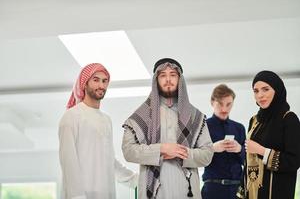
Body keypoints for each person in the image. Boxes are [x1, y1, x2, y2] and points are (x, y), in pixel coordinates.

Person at [122, 58, 214, 199]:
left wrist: (182, 153)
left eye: (173, 75)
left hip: (186, 190)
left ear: (180, 79)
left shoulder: (195, 116)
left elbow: (207, 154)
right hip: (154, 192)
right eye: (163, 75)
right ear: (156, 80)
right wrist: (161, 149)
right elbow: (128, 151)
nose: (168, 79)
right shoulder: (142, 115)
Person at [59, 63, 137, 199]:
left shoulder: (106, 120)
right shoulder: (71, 116)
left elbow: (108, 159)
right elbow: (68, 162)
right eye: (96, 80)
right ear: (84, 83)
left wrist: (135, 180)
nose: (101, 85)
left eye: (104, 81)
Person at [236, 70, 300, 199]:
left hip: (277, 193)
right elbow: (248, 161)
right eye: (256, 91)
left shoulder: (288, 118)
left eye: (265, 89)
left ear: (277, 90)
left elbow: (294, 161)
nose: (260, 95)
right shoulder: (254, 121)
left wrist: (262, 151)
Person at [201, 84, 246, 199]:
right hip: (212, 189)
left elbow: (248, 161)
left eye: (229, 104)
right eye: (220, 104)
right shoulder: (203, 127)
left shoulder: (239, 128)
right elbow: (194, 157)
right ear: (212, 102)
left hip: (238, 189)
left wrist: (239, 149)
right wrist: (212, 148)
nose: (224, 109)